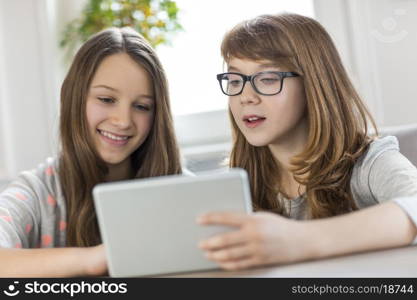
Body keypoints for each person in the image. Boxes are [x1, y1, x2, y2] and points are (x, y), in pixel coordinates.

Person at [197, 13, 417, 271]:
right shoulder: (235, 183)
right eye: (235, 81)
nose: (246, 96)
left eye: (267, 78)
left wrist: (295, 240)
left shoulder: (368, 164)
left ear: (314, 83)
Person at [0, 27, 182, 277]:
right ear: (75, 99)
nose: (123, 120)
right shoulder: (37, 192)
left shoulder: (182, 192)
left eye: (141, 106)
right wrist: (94, 258)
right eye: (107, 99)